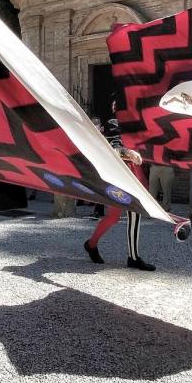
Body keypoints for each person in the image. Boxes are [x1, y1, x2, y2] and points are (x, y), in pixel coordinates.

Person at [83, 98, 155, 271]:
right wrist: (128, 152)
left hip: (133, 176)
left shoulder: (137, 126)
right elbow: (113, 148)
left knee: (134, 213)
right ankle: (91, 244)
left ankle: (133, 257)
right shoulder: (113, 123)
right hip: (119, 175)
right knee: (113, 217)